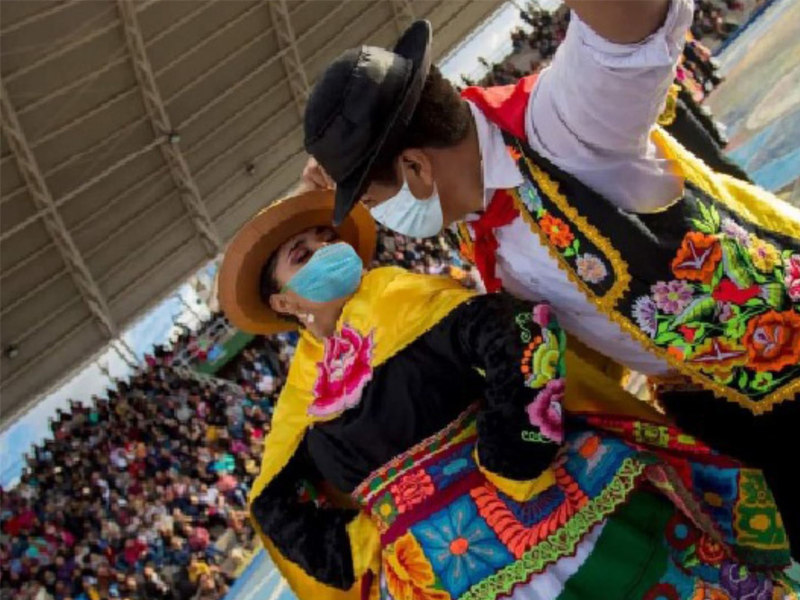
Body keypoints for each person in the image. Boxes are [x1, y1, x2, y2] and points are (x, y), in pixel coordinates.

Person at [298, 5, 800, 554]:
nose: (381, 217)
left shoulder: (557, 126)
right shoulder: (472, 217)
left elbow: (627, 33)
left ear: (416, 168)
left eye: (374, 201)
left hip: (786, 352)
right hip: (710, 403)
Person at [218, 190, 796, 600]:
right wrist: (358, 547)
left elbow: (520, 332)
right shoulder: (301, 397)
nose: (325, 250)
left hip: (568, 515)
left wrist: (511, 454)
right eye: (303, 256)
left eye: (325, 237)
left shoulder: (403, 299)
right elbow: (273, 504)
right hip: (446, 580)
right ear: (284, 303)